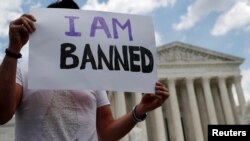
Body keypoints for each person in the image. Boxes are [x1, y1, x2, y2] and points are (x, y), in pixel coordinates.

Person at [0, 0, 169, 141]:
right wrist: (13, 51)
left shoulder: (92, 75)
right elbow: (2, 115)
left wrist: (140, 110)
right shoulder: (23, 70)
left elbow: (106, 132)